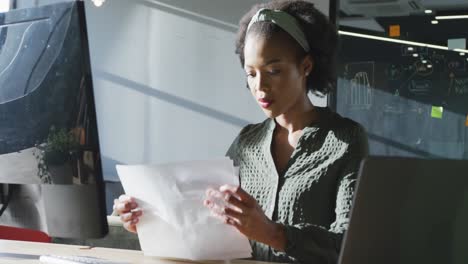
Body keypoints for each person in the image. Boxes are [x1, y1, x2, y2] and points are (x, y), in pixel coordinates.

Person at [114, 1, 369, 263]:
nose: (260, 86)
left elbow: (350, 243)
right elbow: (209, 221)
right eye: (251, 73)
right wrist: (149, 219)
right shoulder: (247, 142)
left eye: (273, 71)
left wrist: (273, 234)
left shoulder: (345, 140)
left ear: (306, 66)